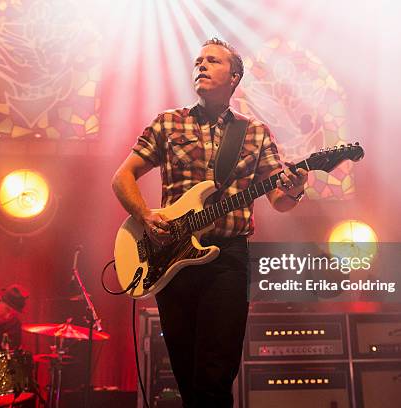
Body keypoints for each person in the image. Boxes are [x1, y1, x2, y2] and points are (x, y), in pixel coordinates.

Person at [112, 38, 308, 407]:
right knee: (187, 377)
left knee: (215, 376)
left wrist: (295, 188)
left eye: (212, 61)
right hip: (170, 258)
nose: (201, 65)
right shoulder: (169, 123)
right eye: (198, 60)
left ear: (234, 77)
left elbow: (279, 201)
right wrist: (144, 215)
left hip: (228, 260)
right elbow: (122, 177)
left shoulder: (255, 132)